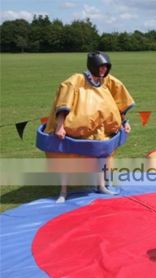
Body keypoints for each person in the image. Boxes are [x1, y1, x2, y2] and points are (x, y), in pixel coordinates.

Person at [44, 51, 135, 202]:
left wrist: (125, 122)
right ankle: (63, 191)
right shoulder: (76, 80)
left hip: (100, 130)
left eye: (106, 67)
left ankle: (101, 186)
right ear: (92, 66)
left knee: (101, 155)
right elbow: (63, 104)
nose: (103, 70)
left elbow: (119, 104)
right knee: (67, 157)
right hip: (74, 130)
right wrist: (60, 126)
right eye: (100, 67)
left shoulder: (107, 81)